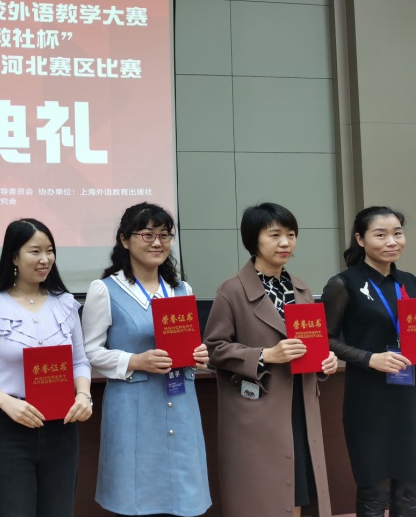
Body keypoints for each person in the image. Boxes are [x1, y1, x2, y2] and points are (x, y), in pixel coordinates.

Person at [204, 203, 338, 517]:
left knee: (298, 488)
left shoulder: (301, 288)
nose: (285, 243)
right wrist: (265, 355)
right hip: (258, 409)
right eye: (275, 235)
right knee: (262, 492)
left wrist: (325, 361)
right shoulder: (231, 290)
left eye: (291, 235)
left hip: (300, 404)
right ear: (254, 240)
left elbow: (311, 345)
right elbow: (214, 349)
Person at [81, 202, 211, 517]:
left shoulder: (181, 289)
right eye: (147, 234)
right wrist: (135, 361)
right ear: (124, 240)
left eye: (164, 235)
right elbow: (89, 351)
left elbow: (190, 343)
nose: (157, 243)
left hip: (181, 402)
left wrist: (199, 355)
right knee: (136, 495)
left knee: (183, 495)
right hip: (133, 406)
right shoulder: (105, 290)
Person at [0, 218, 93, 517]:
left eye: (50, 250)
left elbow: (80, 362)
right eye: (35, 251)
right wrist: (7, 403)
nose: (45, 259)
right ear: (14, 257)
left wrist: (84, 396)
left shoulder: (65, 304)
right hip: (9, 429)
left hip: (62, 428)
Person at [321, 206, 416, 517]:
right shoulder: (343, 283)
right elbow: (325, 339)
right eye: (381, 234)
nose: (392, 241)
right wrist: (369, 358)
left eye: (397, 233)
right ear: (360, 239)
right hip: (369, 400)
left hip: (409, 397)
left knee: (410, 491)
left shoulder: (409, 282)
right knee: (375, 491)